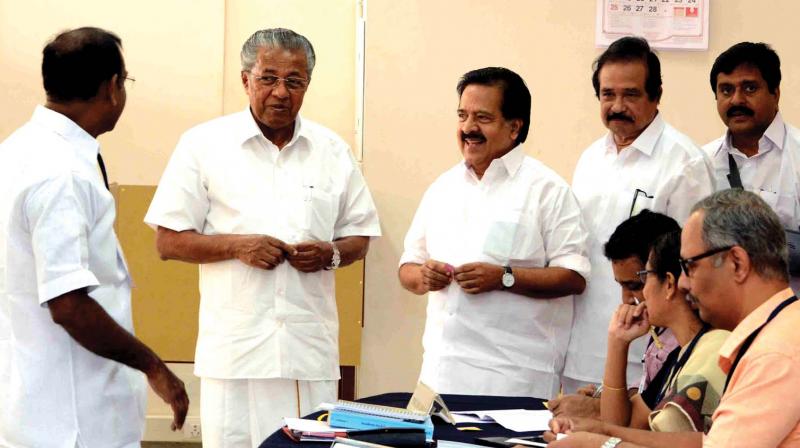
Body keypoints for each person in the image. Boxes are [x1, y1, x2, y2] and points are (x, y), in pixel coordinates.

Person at [145, 28, 381, 447]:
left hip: (306, 354)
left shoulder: (332, 151)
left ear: (308, 84)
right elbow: (168, 241)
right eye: (268, 78)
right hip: (234, 354)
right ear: (245, 80)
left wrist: (330, 254)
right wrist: (237, 245)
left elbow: (359, 237)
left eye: (294, 82)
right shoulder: (203, 145)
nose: (280, 92)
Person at [0, 27, 188, 448]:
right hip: (74, 421)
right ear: (113, 87)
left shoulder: (16, 151)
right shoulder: (62, 173)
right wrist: (154, 366)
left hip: (32, 406)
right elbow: (68, 305)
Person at [548, 189, 800, 447]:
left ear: (737, 263)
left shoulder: (776, 353)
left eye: (690, 266)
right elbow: (706, 442)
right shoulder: (776, 332)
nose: (683, 283)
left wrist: (598, 444)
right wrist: (600, 431)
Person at [398, 67, 590, 399]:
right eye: (462, 116)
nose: (468, 128)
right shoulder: (443, 188)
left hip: (513, 377)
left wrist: (504, 277)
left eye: (482, 118)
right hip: (439, 372)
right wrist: (425, 277)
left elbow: (573, 277)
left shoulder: (547, 191)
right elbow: (408, 269)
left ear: (514, 127)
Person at [564, 36, 715, 393]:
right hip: (584, 345)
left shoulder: (685, 162)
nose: (617, 105)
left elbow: (695, 265)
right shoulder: (590, 159)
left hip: (653, 350)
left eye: (630, 94)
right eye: (607, 94)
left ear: (656, 95)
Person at [549, 211, 681, 420]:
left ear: (669, 278)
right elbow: (646, 393)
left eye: (635, 285)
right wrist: (605, 398)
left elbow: (622, 424)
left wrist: (597, 410)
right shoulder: (661, 332)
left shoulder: (684, 342)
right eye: (621, 286)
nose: (626, 299)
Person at [703, 42, 800, 291]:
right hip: (727, 320)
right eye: (726, 90)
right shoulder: (702, 162)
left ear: (775, 93)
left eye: (749, 88)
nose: (736, 99)